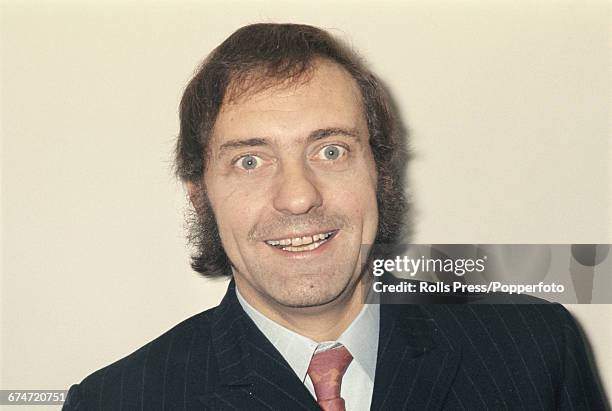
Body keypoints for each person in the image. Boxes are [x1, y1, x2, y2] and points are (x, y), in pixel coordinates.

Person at [63, 23, 606, 410]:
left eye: (331, 151)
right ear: (200, 193)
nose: (298, 198)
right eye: (249, 161)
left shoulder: (535, 349)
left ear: (379, 172)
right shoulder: (118, 399)